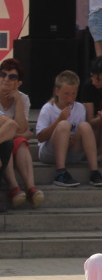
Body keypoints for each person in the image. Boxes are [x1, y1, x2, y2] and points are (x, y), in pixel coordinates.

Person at [35, 71, 102, 188]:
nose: (70, 98)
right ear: (57, 92)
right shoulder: (48, 109)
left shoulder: (79, 108)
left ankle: (94, 172)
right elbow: (40, 137)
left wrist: (71, 139)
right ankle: (60, 172)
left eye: (73, 94)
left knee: (85, 126)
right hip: (49, 152)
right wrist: (59, 120)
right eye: (66, 94)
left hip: (72, 151)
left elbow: (79, 131)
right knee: (63, 125)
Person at [0, 59, 42, 207]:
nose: (6, 79)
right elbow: (21, 131)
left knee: (21, 144)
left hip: (11, 138)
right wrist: (22, 134)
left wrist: (17, 101)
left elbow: (22, 128)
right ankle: (13, 187)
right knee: (9, 143)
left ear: (18, 83)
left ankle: (31, 187)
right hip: (4, 141)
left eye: (12, 77)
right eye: (3, 74)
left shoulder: (23, 98)